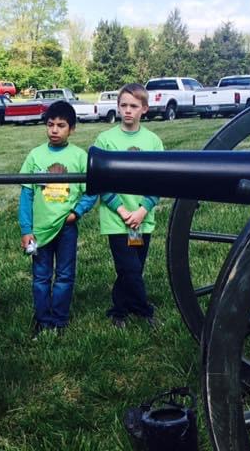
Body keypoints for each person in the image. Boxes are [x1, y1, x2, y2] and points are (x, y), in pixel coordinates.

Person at [18, 101, 97, 336]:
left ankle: (59, 320)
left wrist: (77, 212)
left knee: (64, 275)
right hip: (39, 231)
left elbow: (92, 191)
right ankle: (42, 320)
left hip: (66, 228)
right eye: (50, 125)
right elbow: (26, 193)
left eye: (61, 126)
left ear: (72, 129)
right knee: (41, 277)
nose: (54, 130)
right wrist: (26, 229)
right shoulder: (35, 155)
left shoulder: (80, 157)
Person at [92, 83, 164, 328]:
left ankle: (119, 309)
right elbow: (100, 180)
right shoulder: (105, 139)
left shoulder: (153, 141)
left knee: (134, 269)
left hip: (142, 217)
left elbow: (160, 180)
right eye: (123, 105)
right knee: (129, 268)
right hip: (117, 218)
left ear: (144, 108)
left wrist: (142, 211)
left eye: (134, 106)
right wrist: (123, 212)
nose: (128, 111)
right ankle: (145, 310)